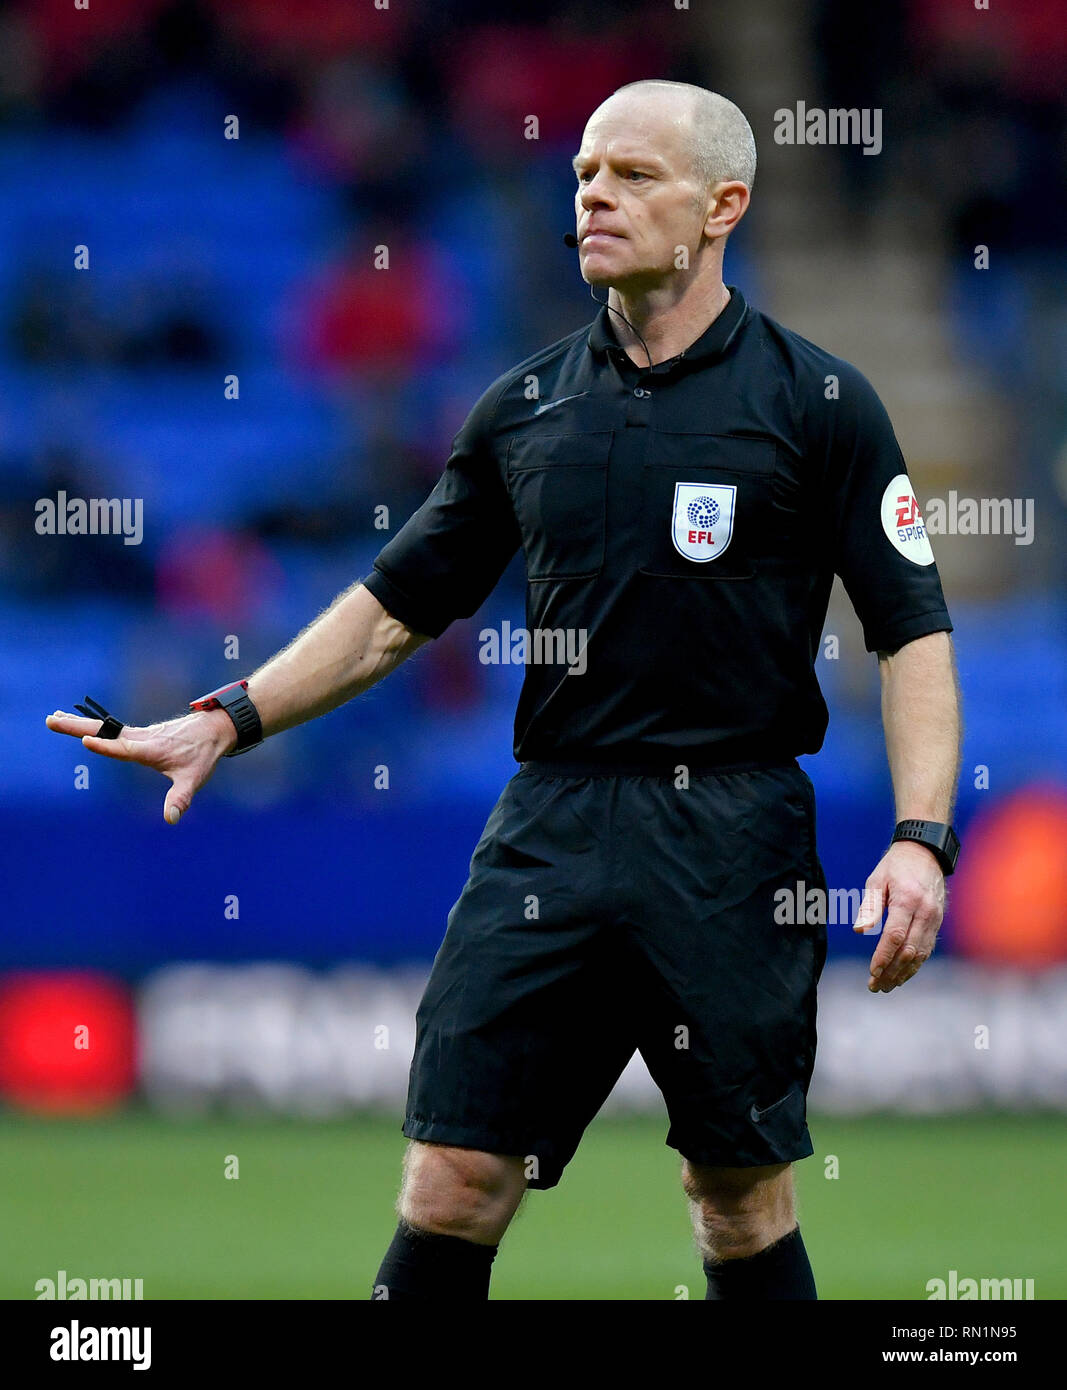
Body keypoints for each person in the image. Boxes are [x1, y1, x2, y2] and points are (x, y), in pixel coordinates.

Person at [47, 80, 962, 1301]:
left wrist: (918, 837)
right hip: (553, 828)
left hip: (737, 842)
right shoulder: (525, 406)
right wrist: (227, 715)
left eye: (633, 174)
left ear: (722, 204)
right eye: (584, 171)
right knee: (449, 1181)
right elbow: (393, 608)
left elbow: (909, 631)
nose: (592, 194)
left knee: (737, 1202)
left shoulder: (821, 404)